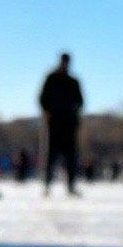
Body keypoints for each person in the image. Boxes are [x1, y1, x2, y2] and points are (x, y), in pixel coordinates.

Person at [39, 52, 84, 195]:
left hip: (69, 124)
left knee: (71, 156)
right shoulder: (51, 79)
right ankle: (47, 185)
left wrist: (74, 115)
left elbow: (80, 101)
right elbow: (42, 98)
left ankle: (71, 186)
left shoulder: (73, 81)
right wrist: (47, 112)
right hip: (54, 124)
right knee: (51, 155)